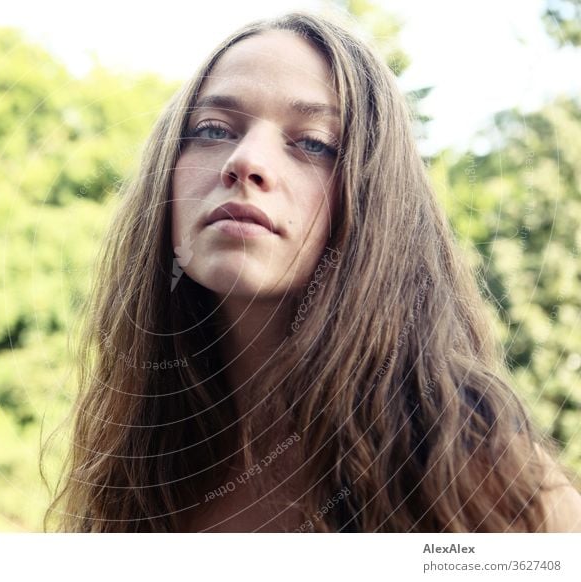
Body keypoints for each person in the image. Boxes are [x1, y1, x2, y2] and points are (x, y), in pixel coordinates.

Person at [44, 9, 581, 532]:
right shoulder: (134, 460)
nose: (245, 161)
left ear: (374, 203)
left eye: (314, 143)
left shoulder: (472, 468)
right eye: (212, 129)